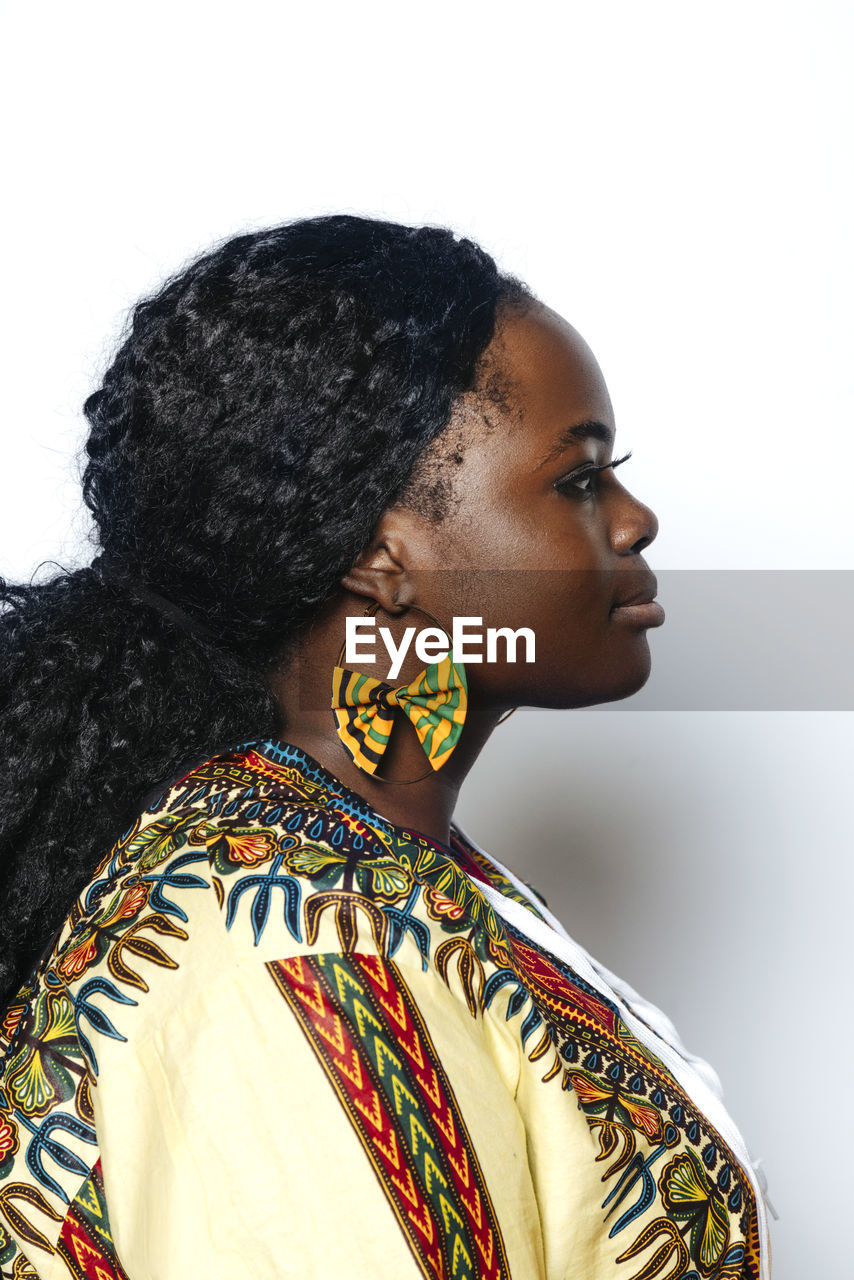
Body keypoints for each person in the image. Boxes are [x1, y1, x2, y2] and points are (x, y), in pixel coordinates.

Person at [0, 215, 772, 1279]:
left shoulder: (378, 866)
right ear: (380, 554)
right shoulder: (303, 952)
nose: (634, 520)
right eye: (578, 481)